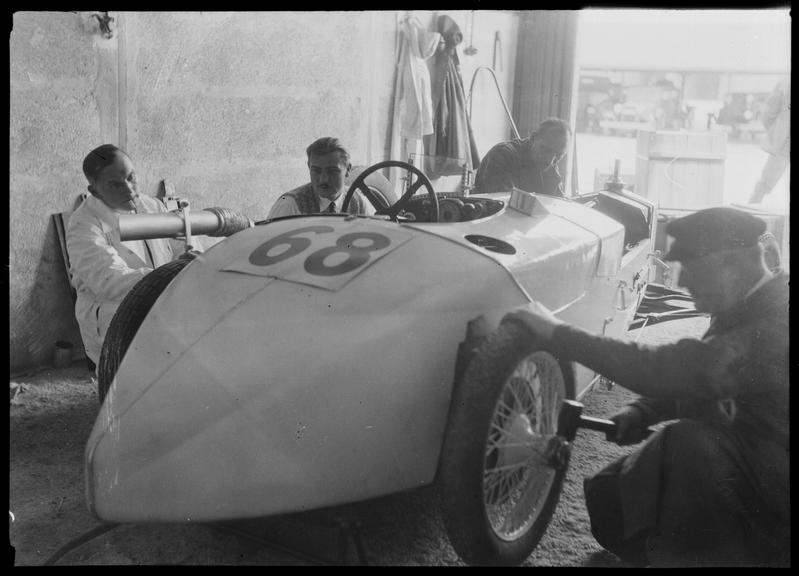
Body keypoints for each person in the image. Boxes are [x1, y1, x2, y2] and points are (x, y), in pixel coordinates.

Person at [504, 207, 789, 567]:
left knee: (687, 444)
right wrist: (641, 410)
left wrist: (556, 333)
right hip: (752, 473)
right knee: (606, 501)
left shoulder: (778, 323)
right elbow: (702, 375)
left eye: (692, 269)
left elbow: (682, 368)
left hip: (777, 507)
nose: (682, 282)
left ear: (731, 266)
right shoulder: (750, 305)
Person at [67, 144, 192, 366]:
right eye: (115, 184)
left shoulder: (151, 205)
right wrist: (173, 276)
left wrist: (193, 259)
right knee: (129, 376)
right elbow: (110, 281)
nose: (129, 189)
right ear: (95, 191)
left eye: (131, 177)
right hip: (113, 312)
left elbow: (183, 246)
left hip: (162, 298)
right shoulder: (83, 223)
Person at [267, 137, 374, 219]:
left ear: (348, 169)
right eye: (316, 171)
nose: (323, 179)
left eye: (332, 171)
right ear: (309, 167)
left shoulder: (359, 202)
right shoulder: (290, 205)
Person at [474, 117, 571, 196]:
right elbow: (504, 204)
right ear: (533, 138)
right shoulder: (503, 154)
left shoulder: (550, 165)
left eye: (558, 156)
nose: (549, 161)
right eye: (545, 150)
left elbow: (558, 204)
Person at [750, 78, 790, 203]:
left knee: (766, 181)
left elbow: (768, 114)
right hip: (784, 142)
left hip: (784, 140)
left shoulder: (784, 83)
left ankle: (751, 210)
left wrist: (777, 130)